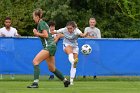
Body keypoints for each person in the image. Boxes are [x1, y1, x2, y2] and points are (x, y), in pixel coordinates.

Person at [27, 9, 70, 88]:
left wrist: (36, 33)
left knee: (35, 61)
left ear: (37, 16)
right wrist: (38, 34)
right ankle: (65, 81)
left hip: (49, 46)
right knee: (52, 68)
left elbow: (46, 35)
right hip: (52, 46)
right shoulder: (42, 23)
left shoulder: (41, 23)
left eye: (33, 17)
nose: (33, 19)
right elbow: (45, 35)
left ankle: (35, 83)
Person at [55, 21, 84, 85]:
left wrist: (84, 34)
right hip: (66, 45)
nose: (69, 30)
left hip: (75, 46)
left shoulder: (77, 31)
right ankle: (74, 61)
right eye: (68, 28)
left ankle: (71, 81)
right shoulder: (64, 29)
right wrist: (51, 31)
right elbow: (55, 31)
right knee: (70, 52)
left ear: (74, 28)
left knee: (74, 66)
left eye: (70, 28)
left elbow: (81, 34)